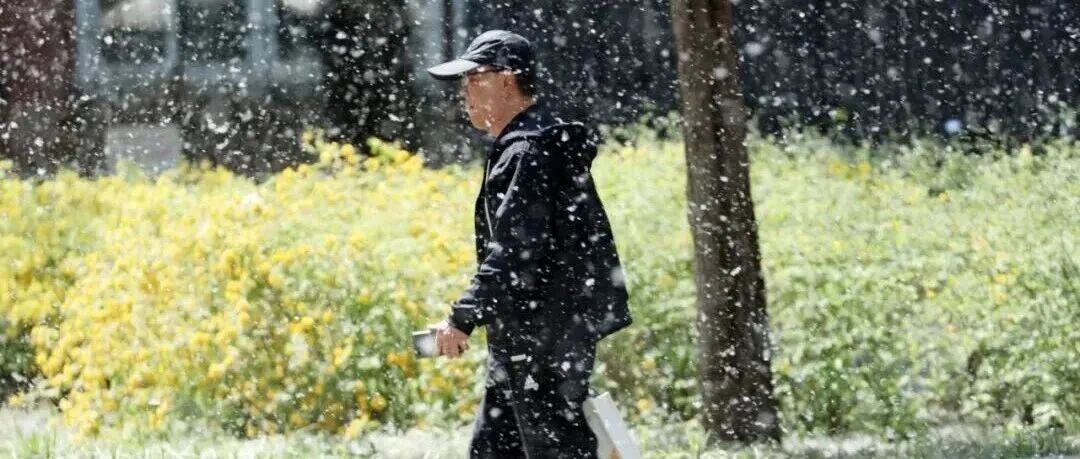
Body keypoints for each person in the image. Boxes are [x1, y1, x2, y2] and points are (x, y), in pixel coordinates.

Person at [426, 30, 632, 458]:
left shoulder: (529, 151)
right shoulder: (529, 143)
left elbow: (515, 251)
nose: (465, 91)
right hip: (532, 334)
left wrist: (463, 317)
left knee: (554, 449)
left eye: (474, 78)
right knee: (493, 450)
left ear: (507, 81)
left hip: (542, 337)